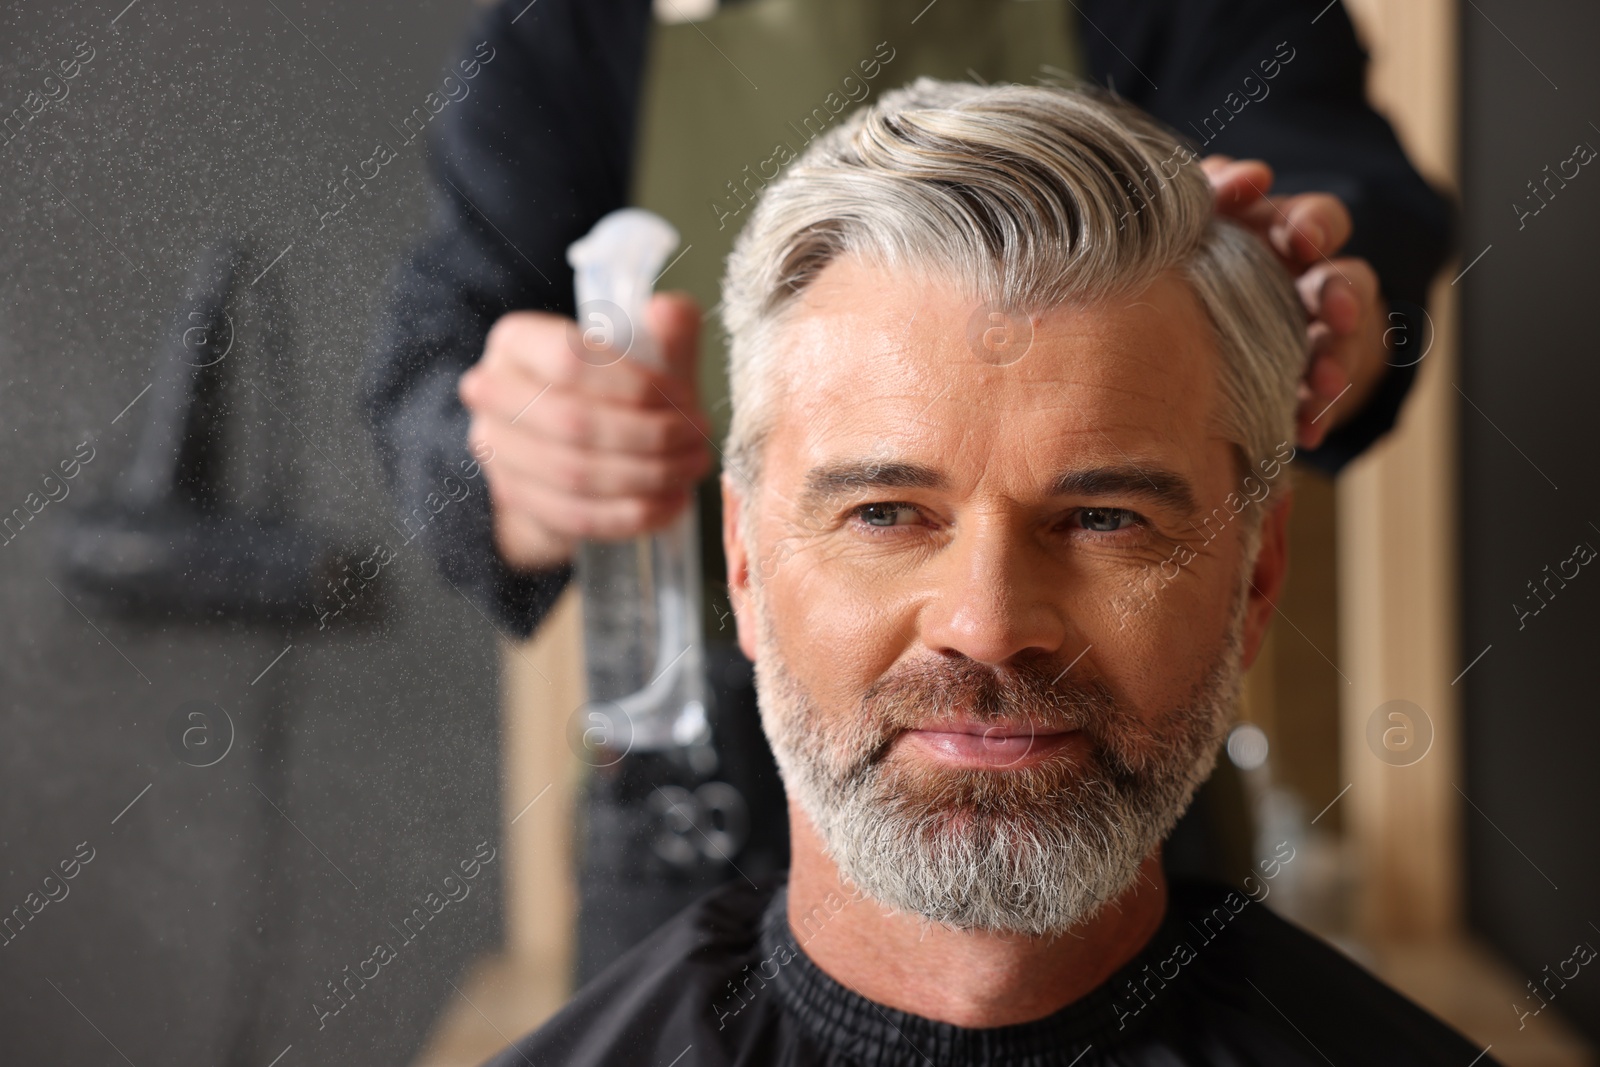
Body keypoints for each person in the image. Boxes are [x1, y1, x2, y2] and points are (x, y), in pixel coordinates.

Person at [363, 0, 1451, 981]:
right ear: (745, 551)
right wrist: (506, 452)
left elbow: (1356, 225)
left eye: (1098, 513)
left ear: (1257, 566)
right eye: (885, 509)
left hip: (1110, 784)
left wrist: (1307, 319)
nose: (980, 623)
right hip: (689, 795)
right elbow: (431, 364)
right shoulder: (564, 34)